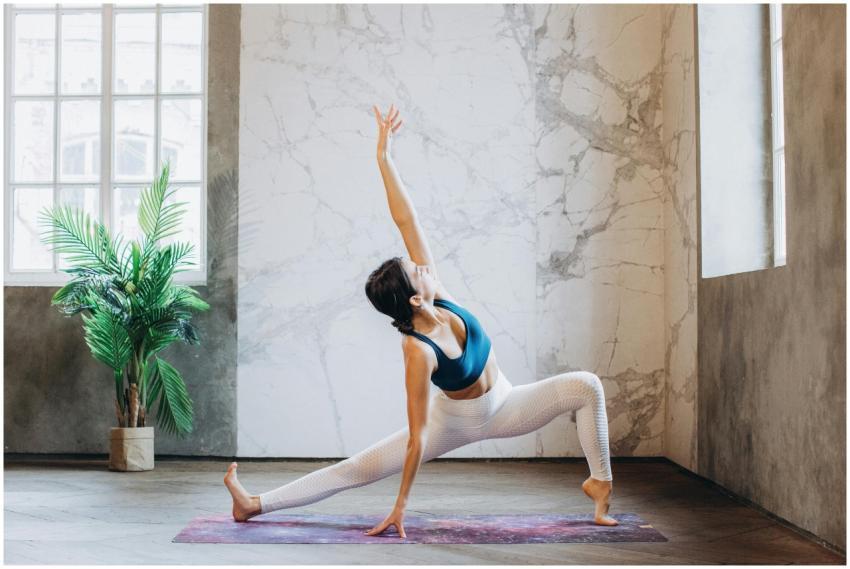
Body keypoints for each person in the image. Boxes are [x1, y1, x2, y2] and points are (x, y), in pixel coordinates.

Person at [224, 104, 617, 536]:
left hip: (506, 403)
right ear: (414, 296)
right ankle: (253, 504)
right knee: (356, 468)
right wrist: (400, 505)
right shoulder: (417, 350)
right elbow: (417, 437)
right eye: (417, 270)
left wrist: (384, 158)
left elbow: (406, 218)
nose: (424, 265)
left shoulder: (439, 295)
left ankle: (599, 484)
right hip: (458, 422)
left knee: (586, 386)